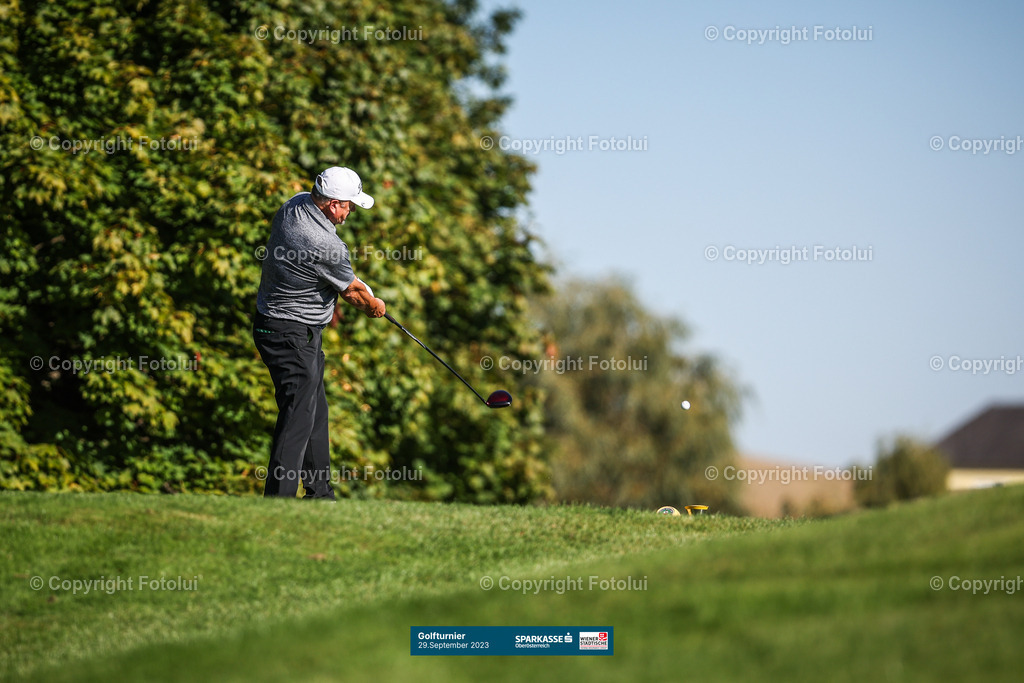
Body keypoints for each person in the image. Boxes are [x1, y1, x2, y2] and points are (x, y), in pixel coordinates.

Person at [252, 166, 386, 500]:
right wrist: (375, 306)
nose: (351, 211)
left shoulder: (294, 205)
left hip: (275, 325)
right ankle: (277, 502)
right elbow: (353, 293)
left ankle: (320, 494)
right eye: (349, 205)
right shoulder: (325, 243)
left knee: (314, 409)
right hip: (291, 333)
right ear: (331, 204)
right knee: (298, 413)